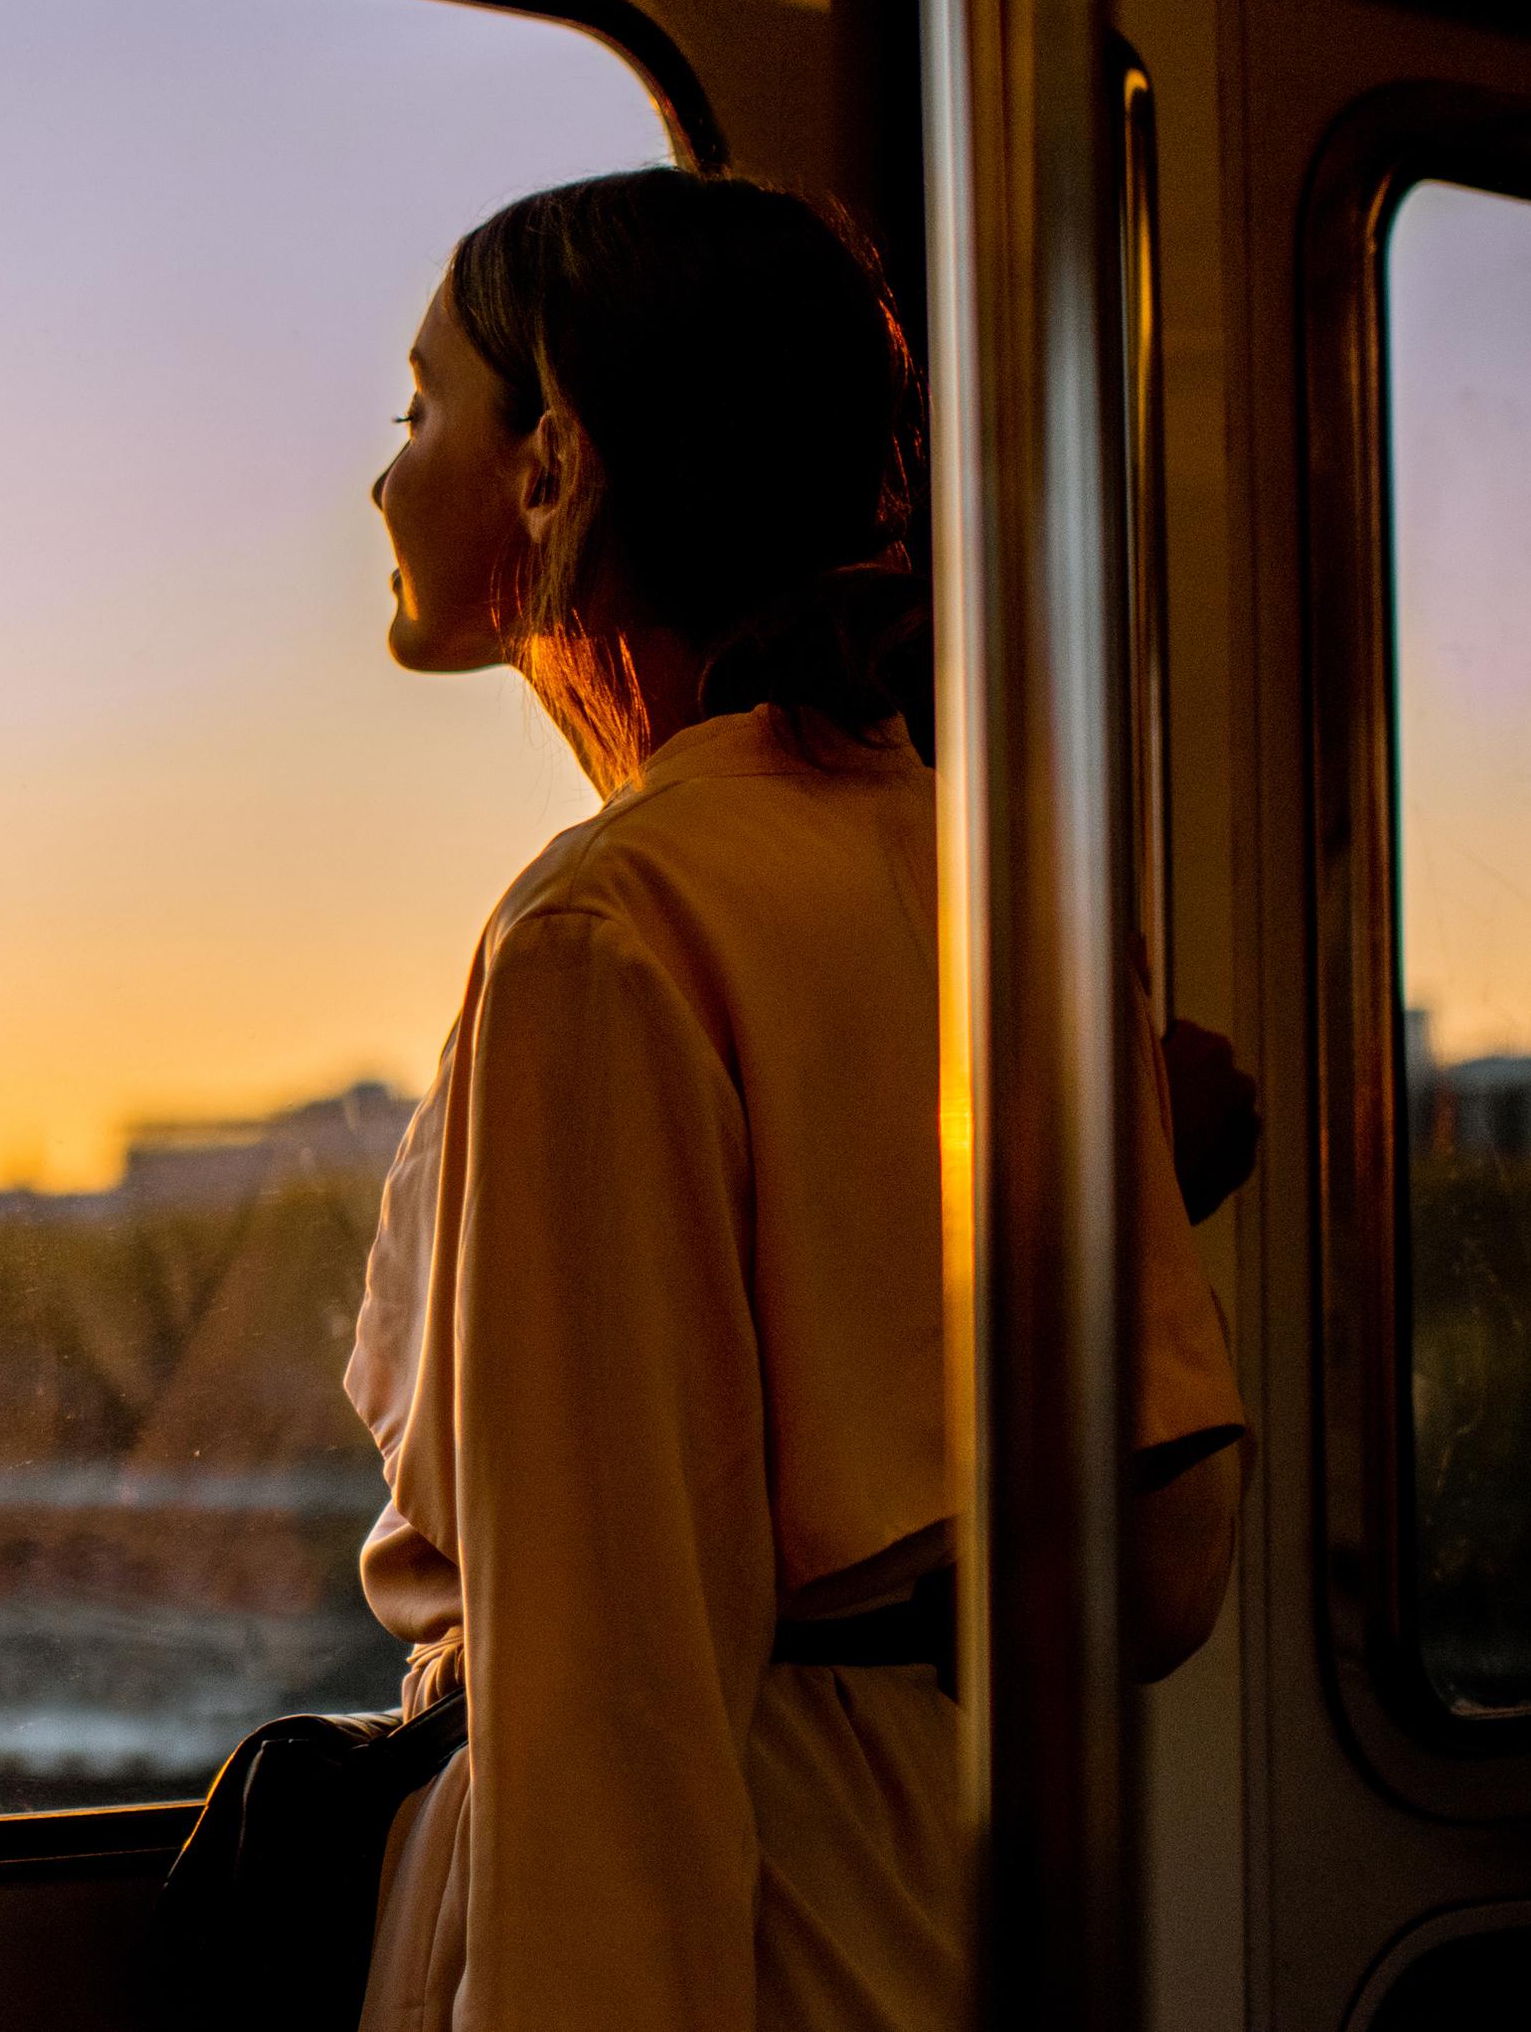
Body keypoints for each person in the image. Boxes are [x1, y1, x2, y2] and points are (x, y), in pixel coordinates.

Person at [344, 167, 1247, 2032]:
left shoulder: (608, 929)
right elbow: (1166, 1568)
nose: (381, 474)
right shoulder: (997, 879)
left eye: (422, 406)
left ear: (552, 464)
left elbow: (614, 1698)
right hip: (960, 1877)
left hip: (745, 1928)